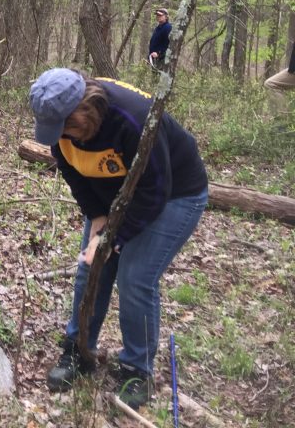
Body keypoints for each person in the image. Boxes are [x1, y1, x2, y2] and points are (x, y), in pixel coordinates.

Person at [28, 68, 208, 409]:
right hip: (114, 195)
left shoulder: (132, 120)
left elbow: (155, 189)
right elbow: (72, 172)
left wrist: (114, 237)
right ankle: (79, 351)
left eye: (66, 127)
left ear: (85, 110)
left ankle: (136, 370)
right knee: (90, 269)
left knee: (136, 278)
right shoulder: (60, 123)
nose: (61, 136)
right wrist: (98, 221)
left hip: (174, 195)